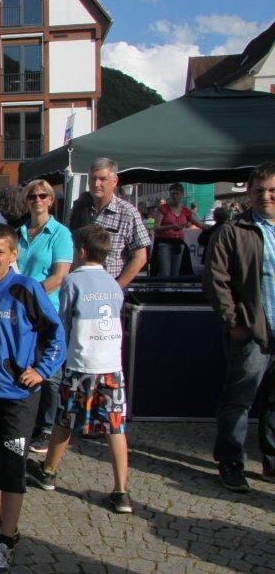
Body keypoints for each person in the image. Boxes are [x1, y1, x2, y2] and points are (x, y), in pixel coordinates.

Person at [0, 223, 65, 574]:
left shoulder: (27, 289)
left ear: (13, 254)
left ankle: (7, 540)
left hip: (19, 397)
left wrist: (41, 369)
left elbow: (56, 335)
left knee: (11, 468)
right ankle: (6, 529)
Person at [27, 224, 132, 513]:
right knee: (115, 425)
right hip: (110, 364)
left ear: (81, 251)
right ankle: (121, 490)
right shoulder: (113, 283)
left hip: (80, 363)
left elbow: (63, 321)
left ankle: (48, 471)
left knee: (65, 418)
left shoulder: (72, 281)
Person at [203, 162, 275, 492]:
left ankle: (271, 461)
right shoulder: (234, 231)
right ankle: (231, 461)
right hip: (252, 330)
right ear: (249, 191)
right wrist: (234, 322)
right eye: (260, 190)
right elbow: (216, 279)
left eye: (272, 190)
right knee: (239, 399)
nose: (266, 196)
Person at [17, 180, 73, 454]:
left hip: (46, 309)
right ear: (26, 200)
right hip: (20, 311)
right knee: (25, 362)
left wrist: (30, 294)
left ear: (50, 200)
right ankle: (28, 421)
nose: (37, 199)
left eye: (43, 195)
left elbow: (60, 275)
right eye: (32, 195)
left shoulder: (60, 233)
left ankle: (48, 426)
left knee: (49, 369)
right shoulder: (18, 233)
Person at [68, 158, 150, 288]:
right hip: (80, 286)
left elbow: (140, 257)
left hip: (109, 288)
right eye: (92, 179)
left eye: (102, 179)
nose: (96, 183)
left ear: (114, 181)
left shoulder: (127, 213)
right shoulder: (78, 209)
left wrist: (116, 287)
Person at [152, 183, 203, 277]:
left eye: (177, 194)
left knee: (176, 273)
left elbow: (200, 225)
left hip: (178, 243)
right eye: (172, 194)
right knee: (165, 273)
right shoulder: (163, 208)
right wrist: (171, 226)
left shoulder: (186, 211)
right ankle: (165, 290)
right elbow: (156, 228)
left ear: (182, 195)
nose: (175, 196)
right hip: (164, 243)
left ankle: (173, 291)